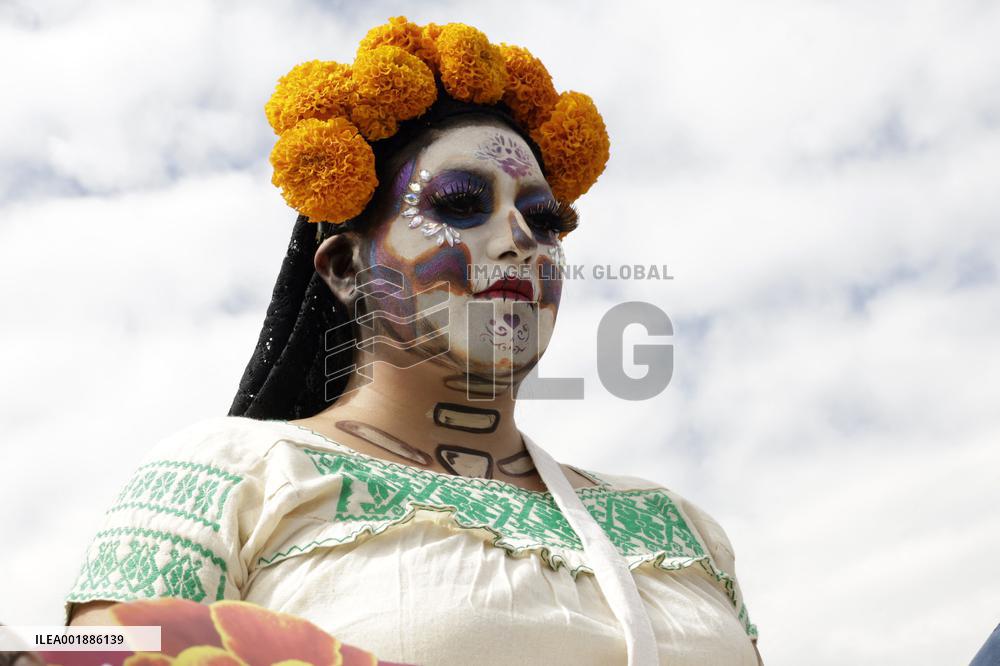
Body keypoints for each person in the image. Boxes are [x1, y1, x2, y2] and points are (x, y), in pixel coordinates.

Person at [67, 17, 762, 665]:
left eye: (545, 220)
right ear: (344, 268)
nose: (520, 241)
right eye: (461, 204)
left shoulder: (679, 529)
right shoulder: (234, 474)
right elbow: (75, 648)